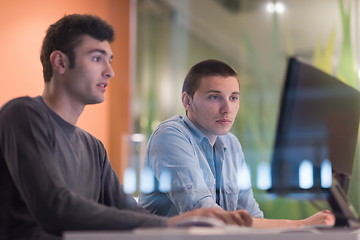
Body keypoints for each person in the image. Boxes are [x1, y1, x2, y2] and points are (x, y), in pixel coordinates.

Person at [0, 15, 253, 240]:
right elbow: (56, 209)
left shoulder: (92, 147)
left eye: (110, 60)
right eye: (97, 58)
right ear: (60, 62)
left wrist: (175, 224)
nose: (109, 71)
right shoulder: (24, 115)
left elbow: (127, 210)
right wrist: (169, 223)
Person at [138, 59, 335, 228]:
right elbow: (204, 216)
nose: (227, 109)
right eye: (215, 97)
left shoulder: (230, 144)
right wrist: (301, 225)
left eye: (233, 98)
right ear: (187, 101)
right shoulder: (170, 135)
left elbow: (251, 216)